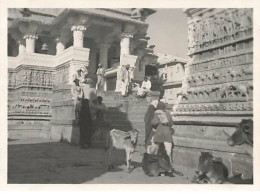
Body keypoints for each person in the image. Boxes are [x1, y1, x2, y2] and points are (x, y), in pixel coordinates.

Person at [79, 77, 97, 149]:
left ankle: (83, 143)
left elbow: (81, 96)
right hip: (90, 109)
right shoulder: (93, 90)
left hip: (84, 109)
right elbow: (95, 100)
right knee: (89, 129)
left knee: (83, 130)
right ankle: (87, 143)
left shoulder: (83, 87)